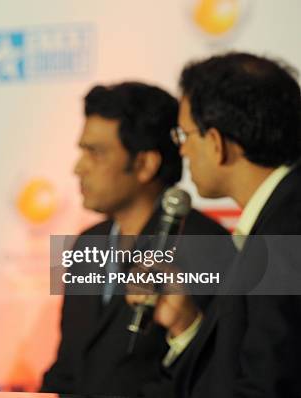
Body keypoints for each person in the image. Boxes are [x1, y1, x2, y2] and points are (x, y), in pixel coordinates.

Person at [128, 52, 301, 397]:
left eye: (185, 135)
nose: (184, 152)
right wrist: (186, 326)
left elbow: (269, 385)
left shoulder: (286, 229)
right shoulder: (274, 218)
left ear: (217, 143)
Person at [41, 82, 229, 397]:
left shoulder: (206, 244)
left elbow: (212, 373)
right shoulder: (88, 243)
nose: (78, 168)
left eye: (95, 153)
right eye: (82, 150)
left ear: (145, 164)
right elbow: (68, 367)